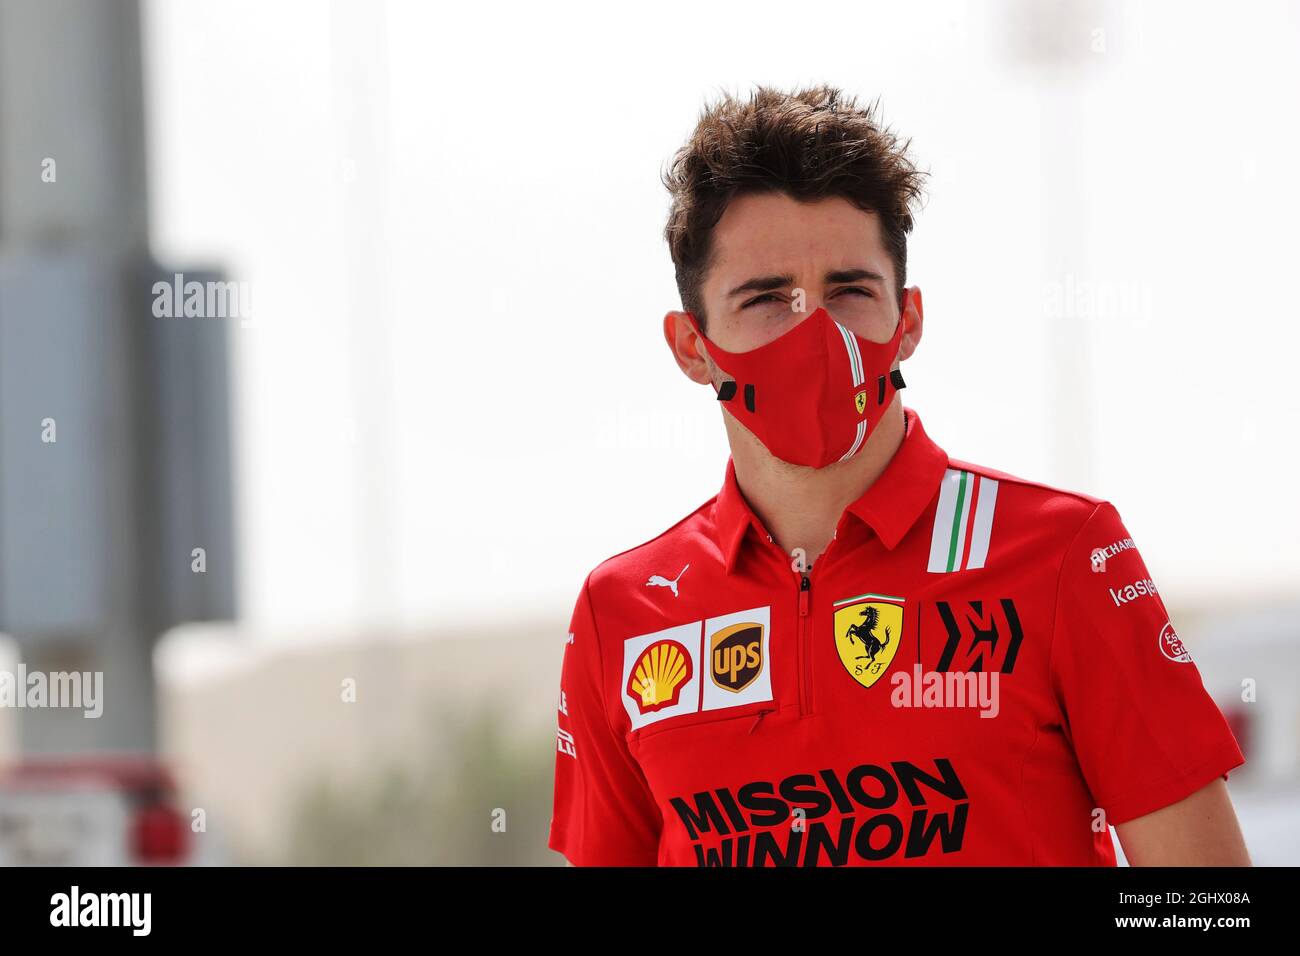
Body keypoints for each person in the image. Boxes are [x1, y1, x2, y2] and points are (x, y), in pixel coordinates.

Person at [549, 84, 1249, 867]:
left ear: (907, 321)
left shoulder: (1064, 554)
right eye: (766, 299)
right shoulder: (621, 612)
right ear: (692, 347)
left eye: (850, 291)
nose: (815, 330)